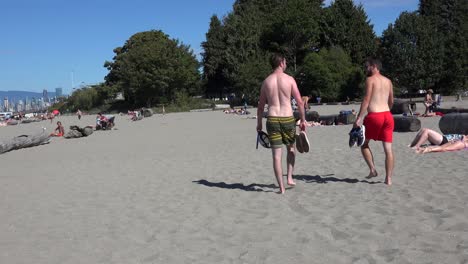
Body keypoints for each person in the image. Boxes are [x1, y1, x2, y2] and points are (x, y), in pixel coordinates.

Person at [257, 53, 306, 194]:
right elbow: (300, 102)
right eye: (285, 62)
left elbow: (261, 106)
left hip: (272, 119)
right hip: (287, 119)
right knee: (291, 149)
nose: (286, 64)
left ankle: (281, 188)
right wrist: (303, 120)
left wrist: (259, 123)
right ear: (281, 63)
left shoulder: (266, 82)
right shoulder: (289, 79)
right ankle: (289, 177)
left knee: (276, 155)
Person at [354, 58, 394, 185]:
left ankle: (372, 170)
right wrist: (387, 110)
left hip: (374, 116)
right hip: (388, 116)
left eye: (367, 67)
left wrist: (359, 118)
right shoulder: (388, 81)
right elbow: (391, 100)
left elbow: (366, 100)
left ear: (374, 66)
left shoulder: (370, 80)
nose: (366, 69)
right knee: (388, 149)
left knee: (363, 143)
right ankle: (388, 179)